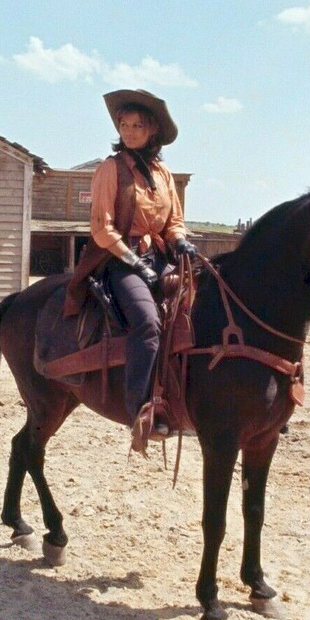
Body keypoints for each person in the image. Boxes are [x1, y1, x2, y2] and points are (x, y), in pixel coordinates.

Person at [64, 89, 197, 443]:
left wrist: (180, 239)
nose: (129, 131)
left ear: (152, 129)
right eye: (124, 124)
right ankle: (140, 410)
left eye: (137, 125)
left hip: (161, 258)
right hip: (119, 261)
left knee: (197, 311)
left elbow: (175, 221)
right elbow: (101, 228)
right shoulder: (111, 170)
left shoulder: (164, 173)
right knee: (148, 323)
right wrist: (136, 262)